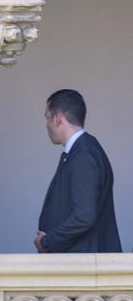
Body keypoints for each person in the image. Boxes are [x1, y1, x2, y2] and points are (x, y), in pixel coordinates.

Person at [35, 89, 121, 254]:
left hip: (81, 262)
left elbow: (84, 216)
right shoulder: (84, 150)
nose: (47, 125)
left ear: (58, 119)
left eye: (47, 118)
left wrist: (47, 242)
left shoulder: (83, 155)